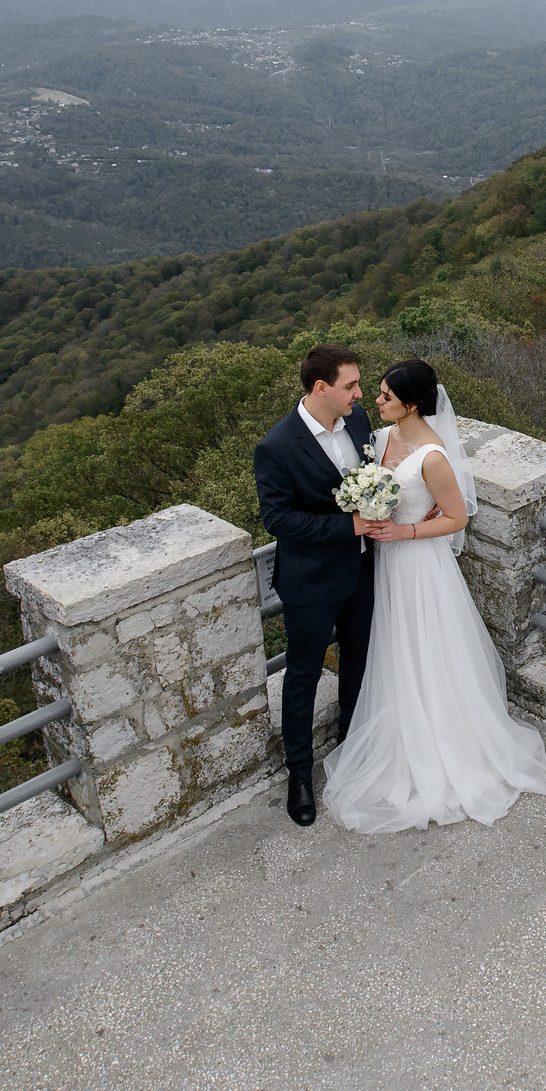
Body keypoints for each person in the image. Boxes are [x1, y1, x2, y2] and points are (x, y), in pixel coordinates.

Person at [322, 357, 546, 833]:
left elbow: (456, 517)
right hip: (384, 565)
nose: (375, 401)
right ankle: (401, 733)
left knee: (425, 646)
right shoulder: (384, 438)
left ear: (410, 405)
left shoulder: (433, 456)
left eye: (385, 396)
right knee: (393, 646)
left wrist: (403, 533)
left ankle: (441, 743)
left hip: (418, 565)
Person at [252, 344, 376, 827]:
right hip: (312, 580)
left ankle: (351, 750)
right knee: (301, 677)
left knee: (359, 661)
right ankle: (299, 775)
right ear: (320, 388)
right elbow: (278, 519)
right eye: (350, 385)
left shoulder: (358, 421)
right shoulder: (277, 446)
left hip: (364, 571)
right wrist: (349, 527)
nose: (359, 393)